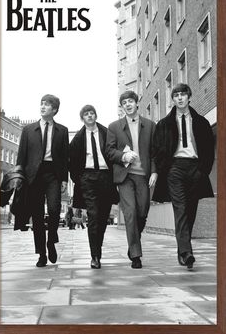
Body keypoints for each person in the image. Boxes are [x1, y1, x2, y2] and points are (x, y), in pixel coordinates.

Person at [152, 83, 214, 269]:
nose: (179, 98)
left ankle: (182, 249)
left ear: (189, 97)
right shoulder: (164, 124)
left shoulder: (201, 121)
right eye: (176, 95)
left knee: (191, 210)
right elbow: (157, 149)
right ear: (173, 99)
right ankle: (187, 252)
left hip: (196, 168)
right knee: (180, 209)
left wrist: (203, 170)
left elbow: (209, 149)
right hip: (175, 169)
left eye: (183, 94)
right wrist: (164, 169)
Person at [106, 91, 157, 269]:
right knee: (130, 212)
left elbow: (154, 152)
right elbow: (109, 151)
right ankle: (135, 254)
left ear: (137, 104)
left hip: (143, 175)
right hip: (125, 176)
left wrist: (155, 172)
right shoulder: (114, 127)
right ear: (122, 107)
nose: (127, 104)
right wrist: (124, 155)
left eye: (130, 101)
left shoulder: (150, 125)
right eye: (124, 102)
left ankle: (134, 240)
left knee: (142, 212)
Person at [17, 94, 69, 267]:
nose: (42, 107)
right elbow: (21, 156)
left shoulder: (62, 130)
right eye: (41, 104)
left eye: (47, 105)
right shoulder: (28, 130)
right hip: (33, 176)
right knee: (37, 216)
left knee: (54, 209)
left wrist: (64, 179)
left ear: (54, 110)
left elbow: (64, 157)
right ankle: (41, 253)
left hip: (52, 173)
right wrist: (19, 176)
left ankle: (51, 240)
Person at [69, 105, 119, 269]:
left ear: (96, 116)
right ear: (82, 118)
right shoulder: (78, 138)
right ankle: (94, 256)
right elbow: (72, 162)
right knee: (93, 215)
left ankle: (98, 250)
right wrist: (80, 179)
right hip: (88, 178)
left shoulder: (106, 132)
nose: (89, 116)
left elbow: (114, 153)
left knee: (103, 217)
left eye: (92, 113)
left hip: (105, 177)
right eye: (86, 114)